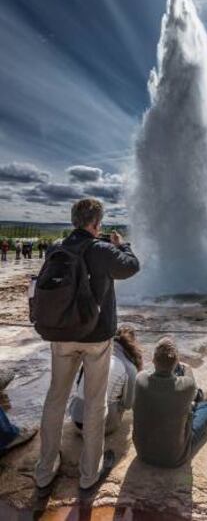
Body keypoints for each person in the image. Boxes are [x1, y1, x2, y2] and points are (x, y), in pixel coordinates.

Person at [34, 198, 140, 495]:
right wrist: (123, 245)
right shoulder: (102, 249)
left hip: (61, 335)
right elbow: (132, 267)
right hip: (96, 338)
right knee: (96, 403)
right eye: (100, 223)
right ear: (96, 223)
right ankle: (88, 473)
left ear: (74, 221)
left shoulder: (57, 247)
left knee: (55, 399)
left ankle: (45, 470)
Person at [133, 337, 207, 467]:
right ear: (176, 361)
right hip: (175, 457)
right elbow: (193, 389)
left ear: (153, 359)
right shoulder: (187, 384)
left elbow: (150, 375)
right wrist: (187, 368)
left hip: (143, 453)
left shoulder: (140, 379)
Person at [70, 325, 143, 434]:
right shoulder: (130, 368)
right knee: (122, 397)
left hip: (76, 421)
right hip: (102, 428)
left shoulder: (93, 355)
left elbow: (78, 384)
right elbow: (128, 405)